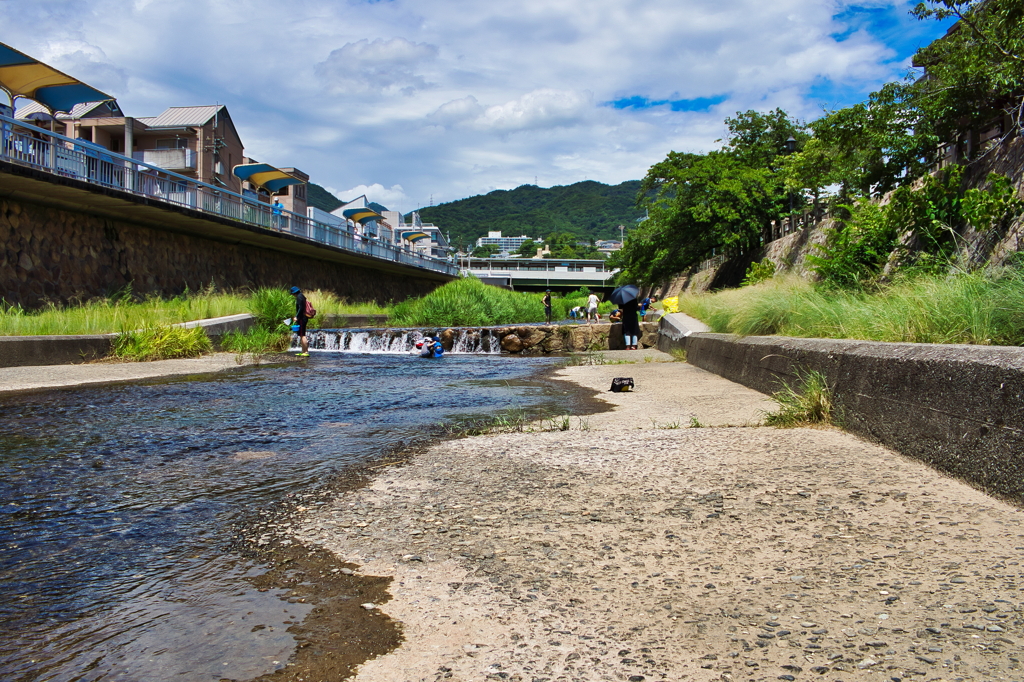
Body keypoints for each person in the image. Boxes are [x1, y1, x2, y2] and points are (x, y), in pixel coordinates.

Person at [289, 286, 310, 357]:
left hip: (302, 318)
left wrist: (296, 317)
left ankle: (306, 352)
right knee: (301, 335)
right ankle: (303, 351)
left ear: (294, 293)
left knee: (302, 335)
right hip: (303, 317)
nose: (292, 295)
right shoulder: (302, 296)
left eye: (292, 294)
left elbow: (301, 308)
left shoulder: (299, 297)